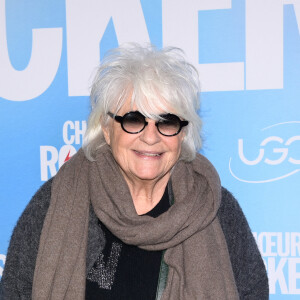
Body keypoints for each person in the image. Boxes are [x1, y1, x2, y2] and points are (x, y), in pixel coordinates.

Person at [0, 44, 268, 300]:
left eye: (167, 121)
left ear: (183, 134)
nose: (150, 137)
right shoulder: (56, 202)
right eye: (134, 120)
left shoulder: (216, 210)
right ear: (106, 128)